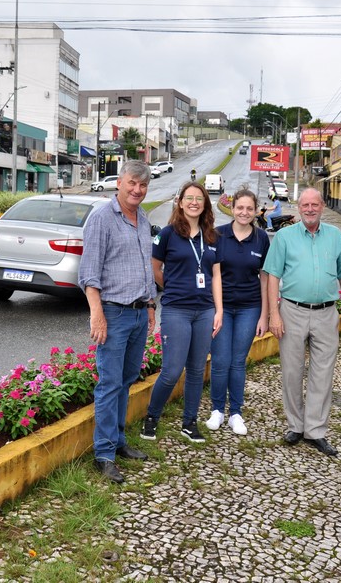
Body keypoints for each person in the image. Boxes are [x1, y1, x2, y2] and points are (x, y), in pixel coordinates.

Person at [78, 160, 159, 484]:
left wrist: (151, 305)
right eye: (132, 184)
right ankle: (104, 453)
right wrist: (96, 314)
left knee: (126, 380)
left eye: (142, 186)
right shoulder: (101, 219)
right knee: (110, 383)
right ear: (119, 183)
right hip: (113, 313)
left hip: (140, 313)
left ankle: (120, 440)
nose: (137, 190)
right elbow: (89, 272)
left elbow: (145, 266)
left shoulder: (142, 219)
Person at [263, 188, 341, 456]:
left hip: (327, 313)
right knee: (292, 370)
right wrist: (274, 313)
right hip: (292, 310)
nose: (310, 209)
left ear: (323, 206)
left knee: (322, 373)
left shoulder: (336, 236)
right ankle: (295, 425)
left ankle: (315, 430)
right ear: (299, 207)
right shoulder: (284, 237)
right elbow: (272, 276)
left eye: (315, 204)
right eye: (305, 204)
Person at [141, 181, 223, 444]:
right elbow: (154, 268)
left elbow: (216, 276)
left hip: (205, 311)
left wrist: (219, 310)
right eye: (189, 198)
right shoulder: (167, 234)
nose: (194, 203)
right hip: (177, 310)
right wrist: (173, 286)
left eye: (199, 199)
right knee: (172, 370)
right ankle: (152, 417)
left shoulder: (212, 237)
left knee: (197, 370)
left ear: (205, 204)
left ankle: (189, 423)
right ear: (180, 202)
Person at [206, 189, 270, 436]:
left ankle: (235, 413)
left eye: (249, 209)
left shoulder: (261, 238)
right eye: (240, 208)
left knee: (237, 361)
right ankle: (217, 410)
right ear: (232, 209)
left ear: (255, 211)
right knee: (220, 360)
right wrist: (215, 309)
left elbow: (265, 277)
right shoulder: (218, 235)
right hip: (221, 308)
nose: (244, 213)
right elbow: (213, 274)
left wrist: (264, 314)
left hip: (249, 307)